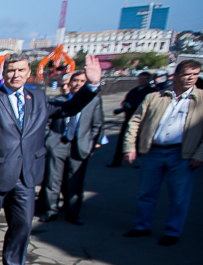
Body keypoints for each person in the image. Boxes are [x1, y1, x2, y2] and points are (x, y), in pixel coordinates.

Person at [0, 53, 102, 265]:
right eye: (10, 70)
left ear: (28, 73)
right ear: (3, 73)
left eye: (20, 70)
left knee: (22, 225)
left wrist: (91, 86)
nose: (15, 75)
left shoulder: (38, 97)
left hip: (27, 175)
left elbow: (69, 108)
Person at [122, 59, 202, 246]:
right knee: (146, 192)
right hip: (153, 152)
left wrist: (200, 155)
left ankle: (173, 231)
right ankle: (142, 226)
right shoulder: (155, 97)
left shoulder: (201, 99)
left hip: (182, 154)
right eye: (186, 74)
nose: (191, 78)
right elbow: (135, 122)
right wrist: (129, 147)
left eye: (195, 74)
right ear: (175, 75)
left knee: (179, 196)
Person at [41, 70, 104, 224]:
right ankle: (51, 210)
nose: (77, 84)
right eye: (75, 81)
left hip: (79, 145)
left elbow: (97, 125)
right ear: (69, 83)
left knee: (74, 182)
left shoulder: (94, 101)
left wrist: (90, 144)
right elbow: (47, 122)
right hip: (58, 143)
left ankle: (72, 212)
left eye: (82, 81)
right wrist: (49, 141)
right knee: (52, 180)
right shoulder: (59, 100)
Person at [108, 71, 158, 167]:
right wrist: (124, 105)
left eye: (144, 79)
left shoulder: (151, 92)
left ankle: (141, 161)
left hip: (143, 120)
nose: (142, 81)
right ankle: (116, 161)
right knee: (122, 140)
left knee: (141, 141)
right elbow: (125, 101)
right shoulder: (133, 91)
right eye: (140, 78)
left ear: (148, 80)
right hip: (129, 118)